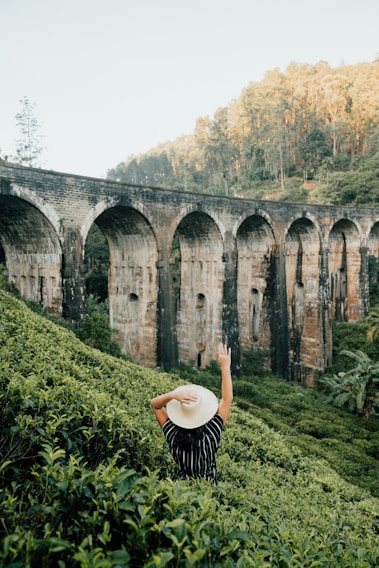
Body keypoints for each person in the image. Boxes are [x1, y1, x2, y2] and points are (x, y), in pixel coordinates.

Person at [150, 343, 232, 484]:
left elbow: (155, 405)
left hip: (182, 492)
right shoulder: (211, 433)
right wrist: (225, 367)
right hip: (209, 491)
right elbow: (227, 399)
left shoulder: (172, 434)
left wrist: (173, 395)